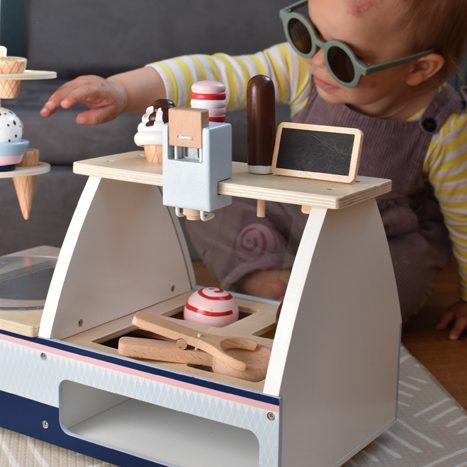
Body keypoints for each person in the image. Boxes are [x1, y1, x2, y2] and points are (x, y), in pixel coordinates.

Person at [40, 0, 467, 339]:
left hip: (377, 234)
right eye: (308, 34)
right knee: (205, 192)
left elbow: (463, 216)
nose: (316, 60)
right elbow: (214, 71)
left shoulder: (445, 126)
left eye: (343, 59)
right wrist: (122, 89)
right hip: (284, 211)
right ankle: (267, 278)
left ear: (418, 68)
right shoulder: (302, 71)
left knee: (400, 276)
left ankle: (333, 311)